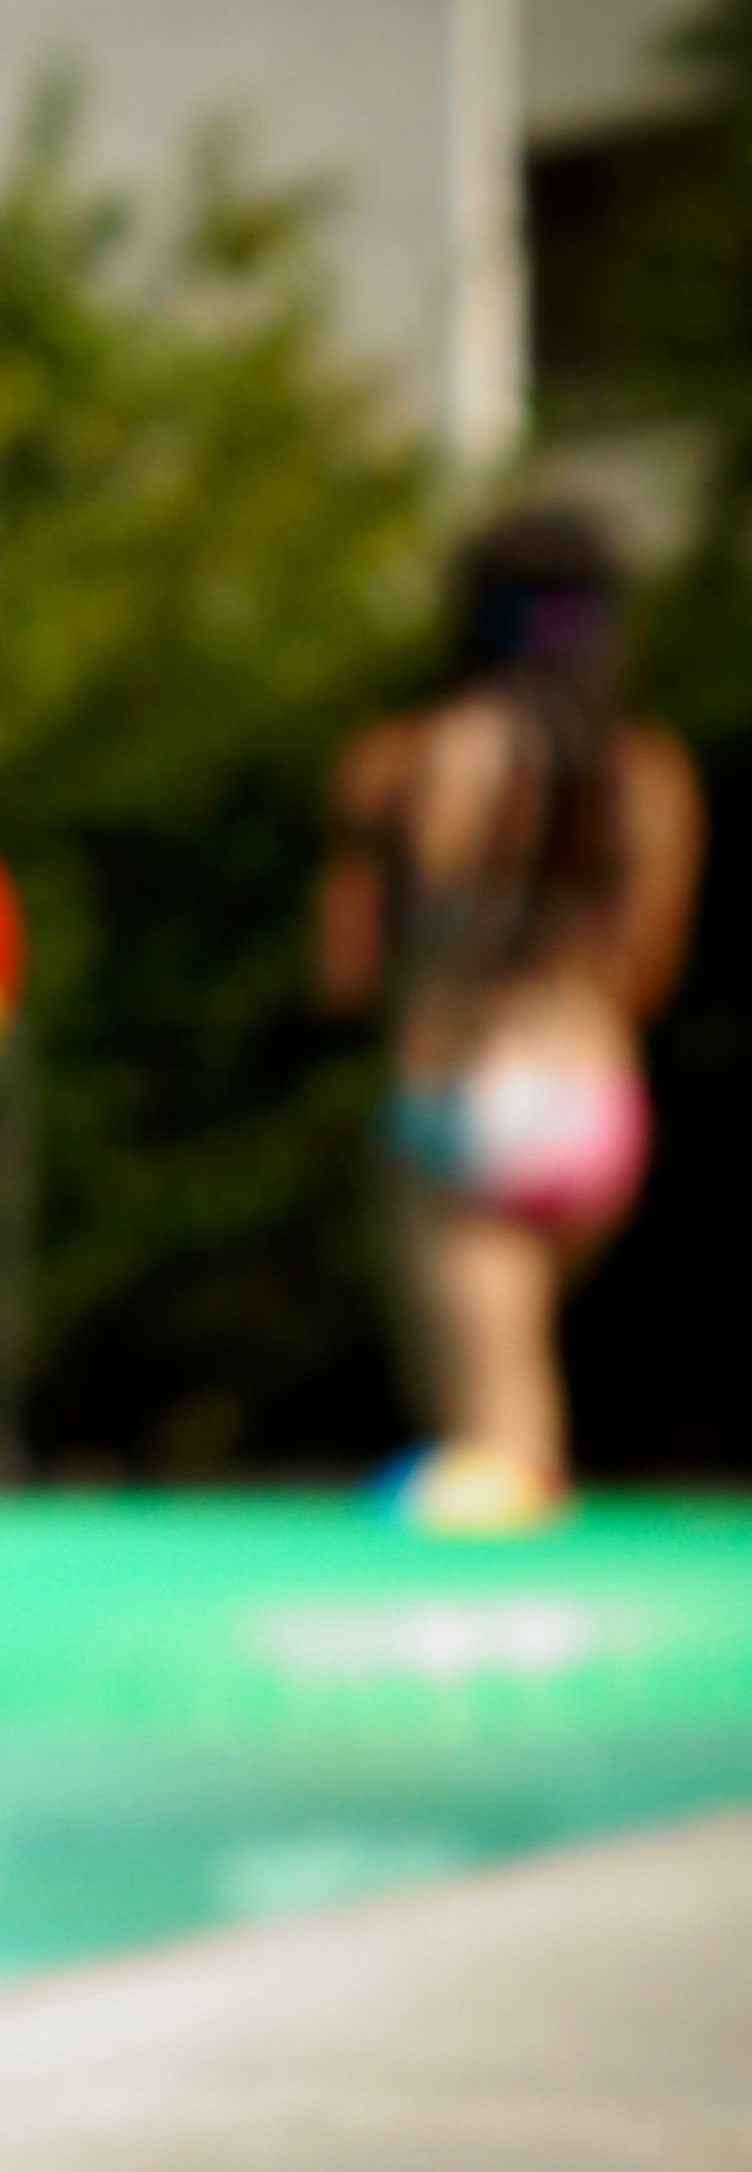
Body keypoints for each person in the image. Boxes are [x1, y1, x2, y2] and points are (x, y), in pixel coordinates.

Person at [317, 507, 704, 1514]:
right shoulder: (650, 771)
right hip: (598, 1107)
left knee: (500, 1428)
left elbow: (343, 970)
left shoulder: (404, 760)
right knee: (512, 1364)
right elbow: (648, 974)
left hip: (461, 1103)